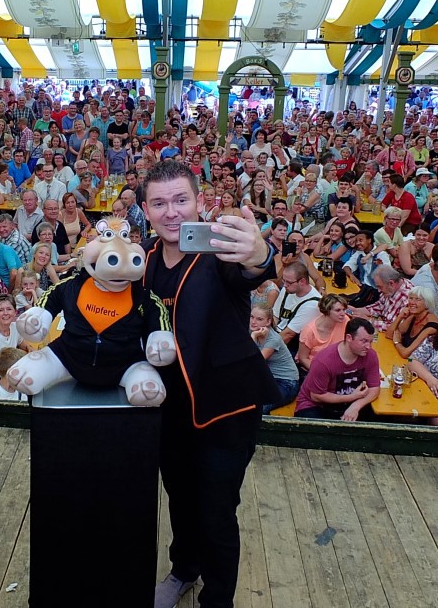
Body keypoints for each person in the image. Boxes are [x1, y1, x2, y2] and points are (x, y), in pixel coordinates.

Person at [140, 160, 280, 608]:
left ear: (199, 202)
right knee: (179, 498)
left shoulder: (220, 252)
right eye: (159, 202)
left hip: (225, 410)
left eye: (181, 199)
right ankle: (184, 570)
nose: (172, 212)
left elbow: (252, 270)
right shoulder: (141, 258)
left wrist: (258, 253)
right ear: (145, 209)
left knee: (217, 512)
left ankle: (217, 601)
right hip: (168, 408)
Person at [294, 317, 380, 420]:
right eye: (364, 341)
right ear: (349, 338)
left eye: (371, 341)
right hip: (316, 405)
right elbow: (316, 396)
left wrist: (356, 406)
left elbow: (374, 388)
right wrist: (351, 397)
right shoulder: (324, 361)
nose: (368, 347)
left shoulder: (370, 355)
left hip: (348, 403)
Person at [250, 305, 299, 411]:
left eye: (259, 319)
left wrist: (253, 337)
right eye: (251, 317)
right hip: (267, 378)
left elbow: (254, 362)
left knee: (260, 408)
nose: (253, 322)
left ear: (268, 322)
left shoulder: (273, 339)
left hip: (286, 382)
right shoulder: (252, 330)